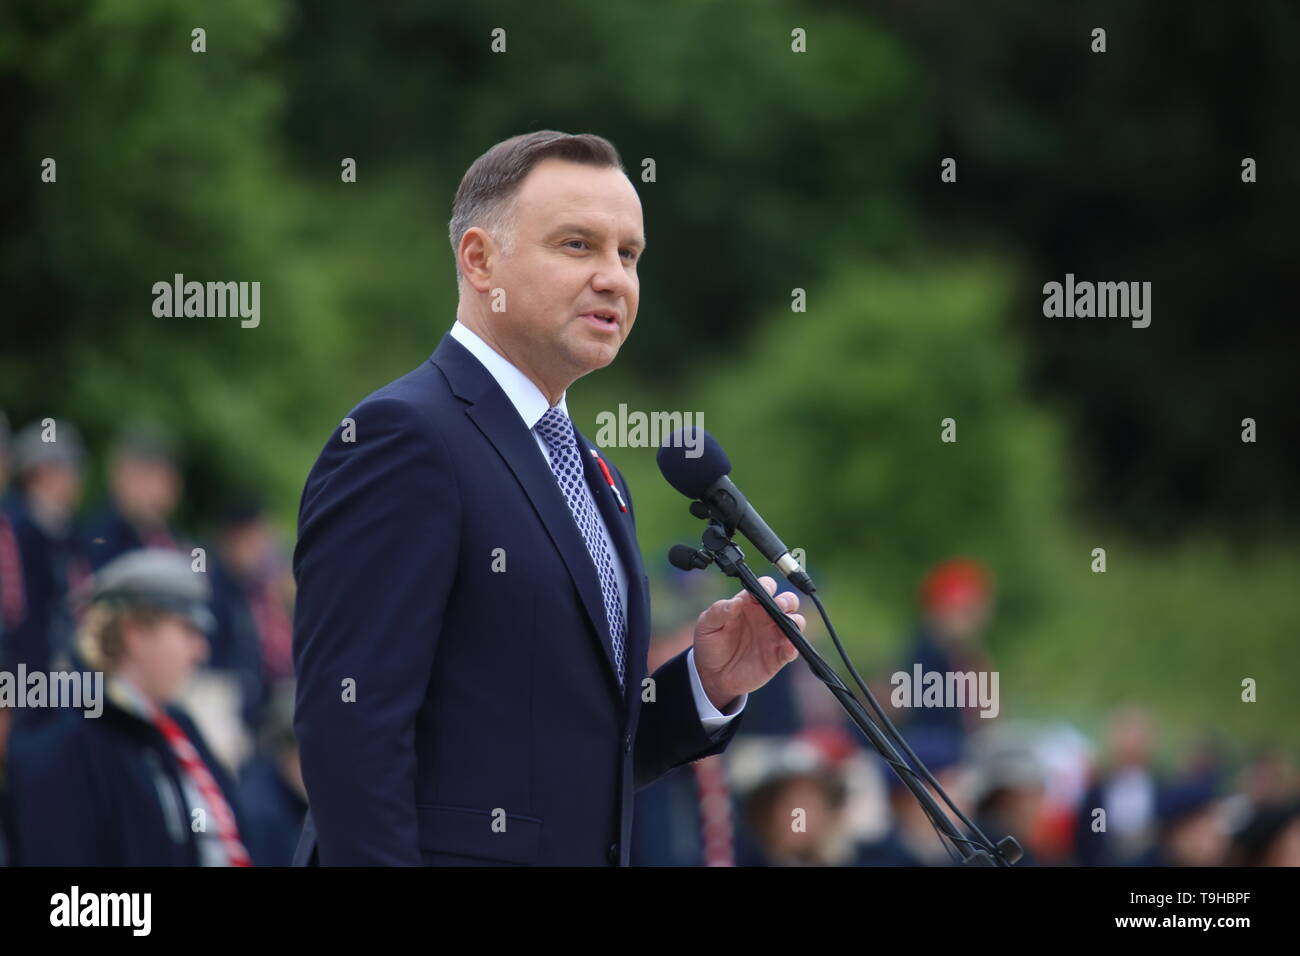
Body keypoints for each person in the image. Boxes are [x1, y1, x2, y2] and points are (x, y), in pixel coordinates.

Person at [292, 130, 806, 866]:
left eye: (629, 255)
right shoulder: (402, 438)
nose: (613, 278)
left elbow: (577, 759)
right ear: (479, 260)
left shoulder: (596, 473)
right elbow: (351, 732)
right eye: (577, 245)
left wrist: (704, 683)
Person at [6, 549, 253, 866]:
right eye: (187, 631)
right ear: (135, 632)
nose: (201, 651)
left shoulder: (177, 727)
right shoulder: (64, 738)